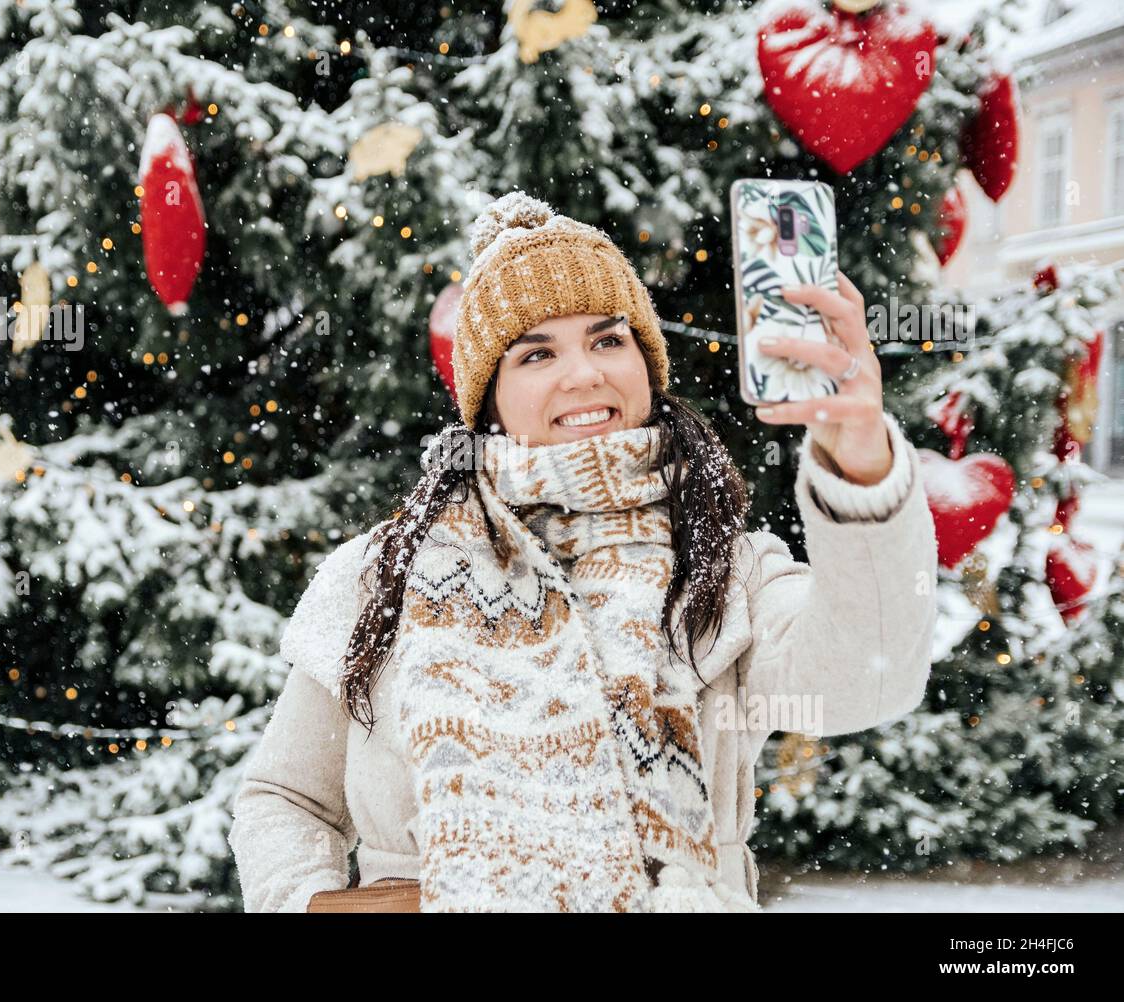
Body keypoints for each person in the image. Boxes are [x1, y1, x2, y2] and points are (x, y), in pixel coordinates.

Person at [227, 191, 938, 912]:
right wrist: (318, 905)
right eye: (537, 354)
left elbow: (869, 679)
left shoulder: (724, 568)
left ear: (646, 363)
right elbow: (284, 797)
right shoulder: (385, 572)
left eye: (608, 340)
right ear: (490, 401)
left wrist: (862, 466)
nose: (584, 374)